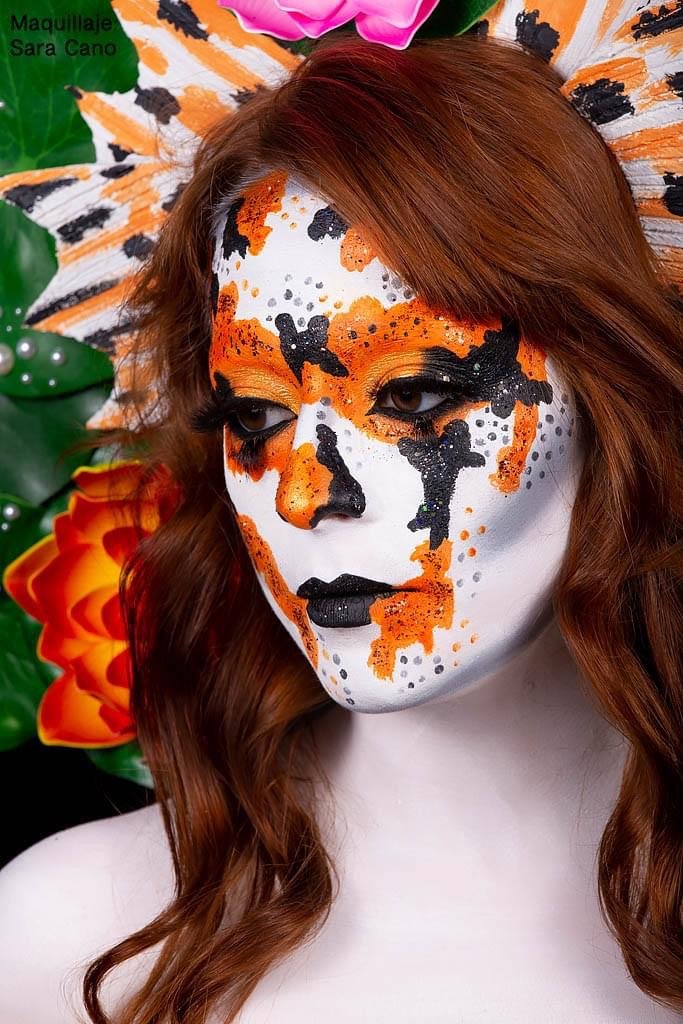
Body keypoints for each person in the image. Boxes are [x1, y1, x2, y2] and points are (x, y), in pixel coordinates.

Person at [0, 30, 681, 1024]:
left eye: (412, 395)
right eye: (254, 416)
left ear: (615, 397)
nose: (303, 496)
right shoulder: (62, 942)